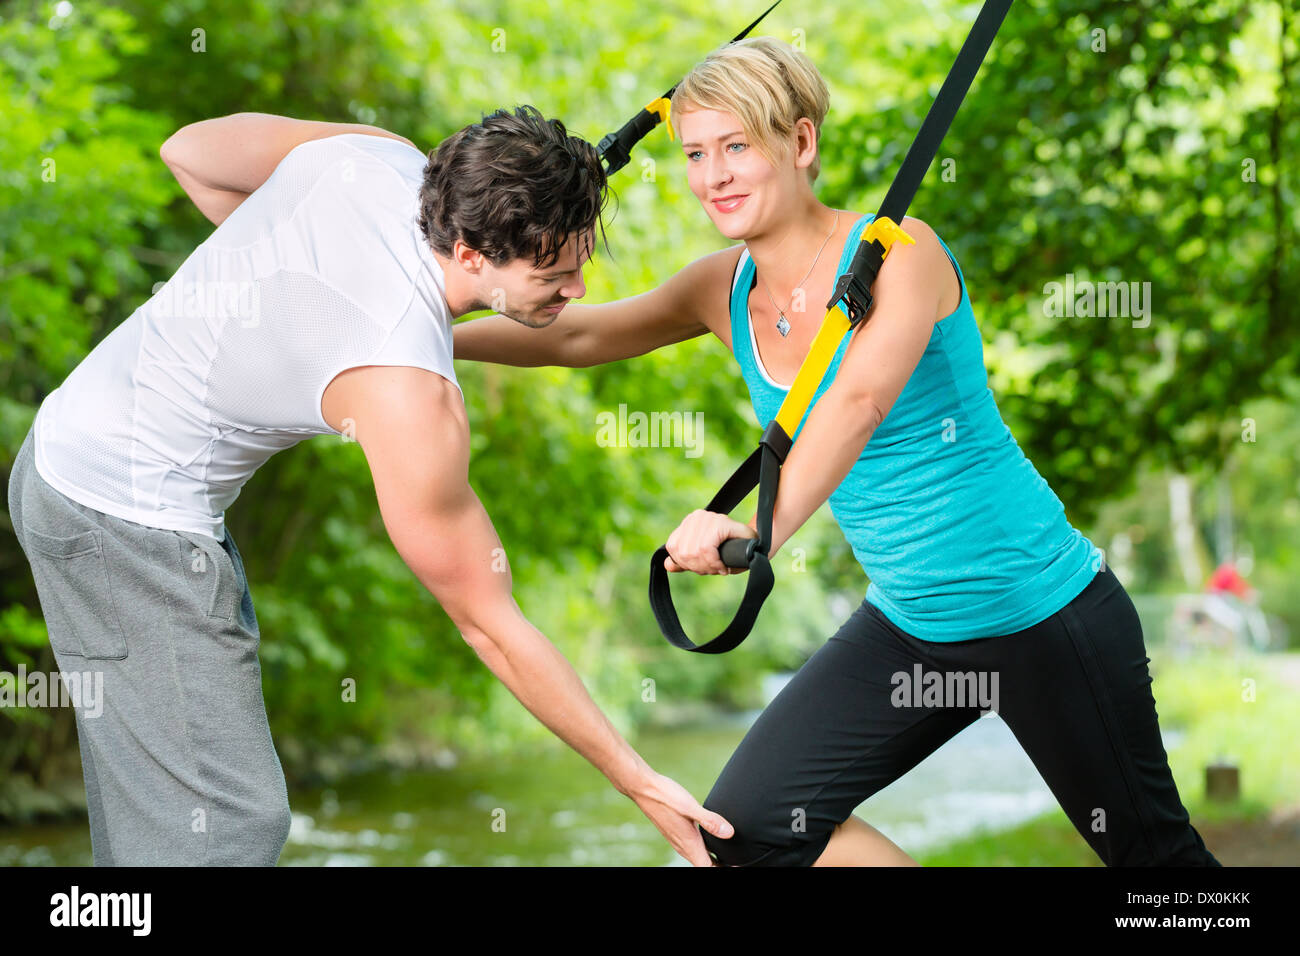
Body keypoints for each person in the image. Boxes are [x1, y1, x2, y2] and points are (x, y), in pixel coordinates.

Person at [453, 37, 1222, 867]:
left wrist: (755, 534)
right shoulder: (723, 288)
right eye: (696, 154)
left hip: (1045, 614)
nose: (713, 175)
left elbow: (855, 404)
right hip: (914, 629)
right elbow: (579, 333)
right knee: (744, 834)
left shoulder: (904, 254)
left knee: (1160, 871)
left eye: (737, 147)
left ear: (802, 142)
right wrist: (435, 326)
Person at [6, 106, 734, 866]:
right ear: (470, 251)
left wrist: (281, 306)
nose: (576, 289)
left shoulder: (379, 159)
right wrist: (641, 781)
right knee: (225, 829)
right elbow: (488, 622)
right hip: (125, 523)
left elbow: (189, 149)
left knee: (155, 825)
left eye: (580, 265)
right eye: (553, 275)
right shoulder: (406, 394)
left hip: (62, 459)